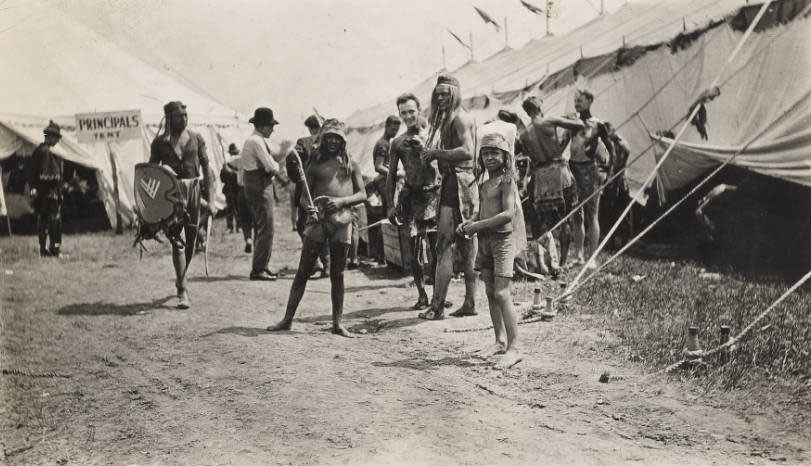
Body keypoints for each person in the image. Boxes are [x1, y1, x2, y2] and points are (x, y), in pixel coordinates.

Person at [268, 119, 367, 337]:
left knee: (338, 273)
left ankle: (338, 323)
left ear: (342, 140)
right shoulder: (315, 164)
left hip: (343, 222)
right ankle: (287, 319)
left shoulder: (351, 164)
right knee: (303, 271)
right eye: (328, 137)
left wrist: (342, 202)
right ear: (323, 139)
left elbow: (362, 194)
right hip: (319, 223)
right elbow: (304, 196)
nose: (332, 141)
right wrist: (309, 208)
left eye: (336, 137)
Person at [457, 129, 521, 368]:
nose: (490, 158)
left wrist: (477, 226)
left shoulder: (507, 181)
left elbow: (507, 214)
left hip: (501, 243)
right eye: (485, 154)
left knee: (502, 293)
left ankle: (515, 347)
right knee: (490, 292)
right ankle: (500, 340)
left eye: (495, 153)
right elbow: (482, 210)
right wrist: (470, 222)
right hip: (484, 241)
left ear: (505, 156)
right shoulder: (485, 183)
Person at [419, 74, 478, 320]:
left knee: (444, 245)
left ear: (456, 93)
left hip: (457, 183)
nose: (441, 98)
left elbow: (467, 151)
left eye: (446, 93)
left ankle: (437, 307)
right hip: (463, 183)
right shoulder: (450, 118)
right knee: (466, 246)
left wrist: (436, 153)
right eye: (438, 94)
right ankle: (470, 302)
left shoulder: (459, 118)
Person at [148, 101, 215, 309]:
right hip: (171, 195)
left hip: (194, 191)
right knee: (177, 241)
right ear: (169, 118)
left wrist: (211, 200)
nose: (184, 119)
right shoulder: (159, 143)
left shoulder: (196, 139)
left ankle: (181, 279)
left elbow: (207, 170)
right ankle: (182, 290)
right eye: (179, 115)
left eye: (186, 114)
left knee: (191, 241)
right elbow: (151, 173)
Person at [386, 93, 441, 310]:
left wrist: (423, 149)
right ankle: (421, 294)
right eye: (404, 113)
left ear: (419, 111)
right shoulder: (397, 142)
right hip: (411, 197)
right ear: (399, 114)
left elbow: (441, 168)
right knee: (414, 248)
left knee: (439, 248)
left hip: (434, 195)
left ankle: (439, 293)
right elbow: (391, 175)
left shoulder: (433, 137)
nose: (408, 116)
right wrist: (390, 205)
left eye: (411, 111)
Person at [568, 89, 614, 267]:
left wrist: (610, 173)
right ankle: (578, 255)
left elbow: (612, 149)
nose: (576, 103)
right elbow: (563, 142)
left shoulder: (597, 124)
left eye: (580, 100)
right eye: (575, 100)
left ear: (589, 101)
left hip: (590, 171)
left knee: (592, 214)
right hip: (573, 169)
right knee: (576, 215)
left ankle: (592, 257)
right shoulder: (573, 122)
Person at [240, 107, 281, 281]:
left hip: (257, 183)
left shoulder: (256, 140)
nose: (272, 129)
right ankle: (258, 269)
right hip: (259, 184)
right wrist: (276, 167)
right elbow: (271, 166)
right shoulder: (256, 141)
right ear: (263, 126)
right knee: (267, 227)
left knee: (262, 226)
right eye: (271, 125)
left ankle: (262, 264)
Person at [288, 115, 331, 278]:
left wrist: (297, 179)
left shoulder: (303, 142)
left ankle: (316, 263)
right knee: (321, 225)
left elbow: (292, 159)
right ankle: (325, 264)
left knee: (304, 226)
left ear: (310, 128)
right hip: (325, 189)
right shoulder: (331, 141)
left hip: (308, 191)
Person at [26, 120, 72, 257]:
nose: (57, 141)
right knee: (54, 220)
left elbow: (31, 172)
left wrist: (34, 187)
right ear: (50, 136)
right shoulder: (45, 152)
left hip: (43, 192)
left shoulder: (40, 151)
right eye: (56, 138)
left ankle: (43, 249)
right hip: (49, 192)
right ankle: (54, 249)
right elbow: (49, 176)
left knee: (44, 220)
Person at [368, 115, 400, 264]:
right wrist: (395, 173)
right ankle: (383, 255)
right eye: (393, 128)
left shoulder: (388, 142)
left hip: (386, 182)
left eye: (397, 129)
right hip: (384, 183)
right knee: (388, 216)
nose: (395, 131)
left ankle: (382, 255)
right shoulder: (383, 144)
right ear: (387, 127)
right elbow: (378, 166)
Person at [220, 143, 241, 233]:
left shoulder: (240, 163)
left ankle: (239, 227)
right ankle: (230, 227)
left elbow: (241, 175)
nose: (234, 155)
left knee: (239, 208)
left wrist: (232, 172)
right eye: (233, 153)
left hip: (238, 189)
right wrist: (225, 171)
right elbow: (222, 178)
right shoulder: (226, 165)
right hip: (229, 189)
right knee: (230, 209)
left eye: (235, 153)